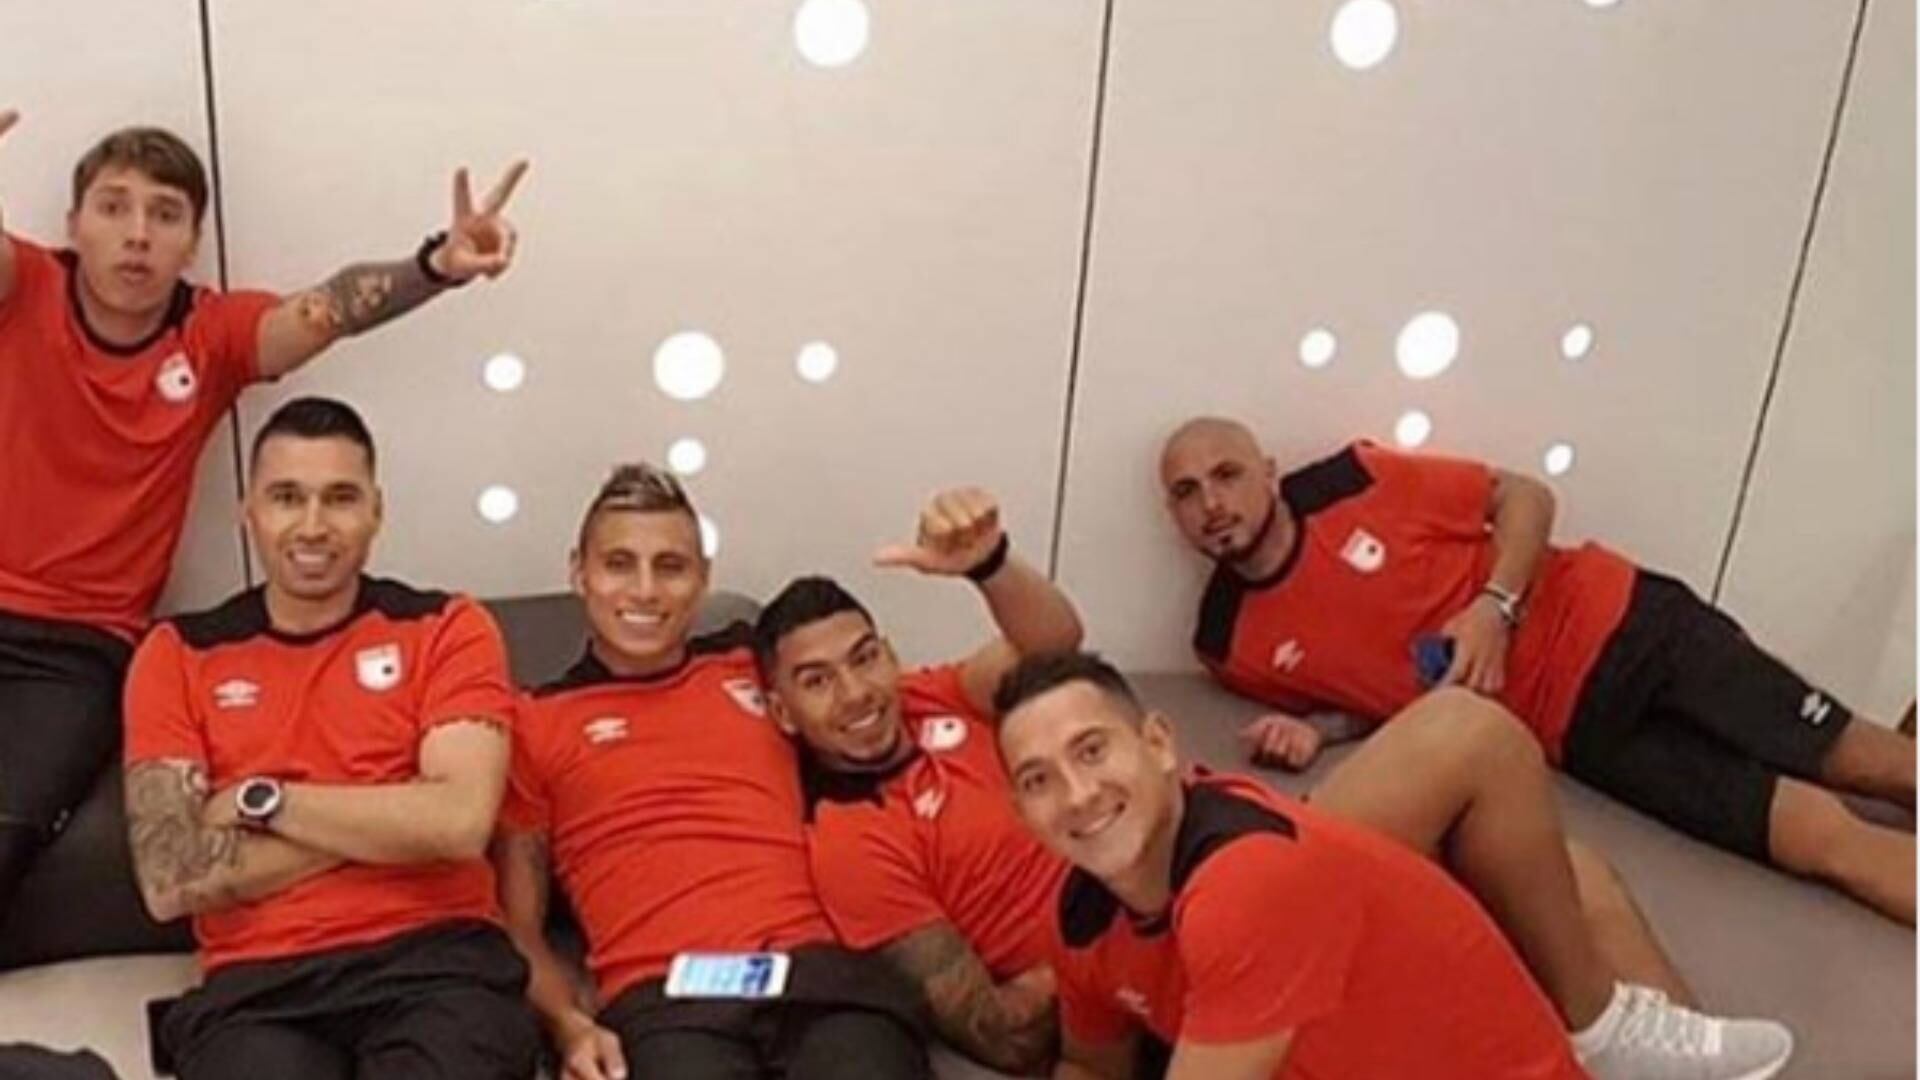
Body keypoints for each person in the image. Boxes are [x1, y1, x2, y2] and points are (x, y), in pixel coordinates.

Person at [0, 107, 529, 917]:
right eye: (113, 208)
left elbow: (329, 310)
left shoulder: (210, 334)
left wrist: (438, 265)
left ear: (192, 242)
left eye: (165, 214)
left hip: (77, 649)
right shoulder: (27, 285)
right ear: (75, 225)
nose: (137, 234)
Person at [1160, 418, 1915, 922]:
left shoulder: (1352, 480)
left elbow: (1526, 495)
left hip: (1622, 624)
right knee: (1817, 841)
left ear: (1268, 473)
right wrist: (1317, 730)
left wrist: (1495, 606)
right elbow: (1377, 694)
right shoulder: (1227, 643)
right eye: (1186, 493)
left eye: (1227, 475)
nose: (1211, 504)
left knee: (1858, 759)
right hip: (1574, 734)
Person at [995, 652, 1796, 1080]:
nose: (1077, 794)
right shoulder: (1082, 918)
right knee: (1571, 869)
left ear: (1161, 745)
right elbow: (1090, 1065)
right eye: (1038, 780)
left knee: (1473, 747)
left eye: (1092, 751)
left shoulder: (1246, 881)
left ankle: (1605, 1026)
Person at [121, 397, 538, 1079]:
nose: (313, 525)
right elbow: (171, 878)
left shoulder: (448, 627)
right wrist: (396, 808)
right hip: (260, 991)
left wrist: (262, 801)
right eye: (287, 497)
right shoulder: (177, 653)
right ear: (249, 511)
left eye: (340, 498)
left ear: (376, 511)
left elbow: (460, 823)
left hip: (438, 967)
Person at [494, 464, 928, 1080]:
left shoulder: (751, 661)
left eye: (671, 566)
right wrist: (570, 1026)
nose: (645, 590)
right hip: (667, 1001)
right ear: (579, 573)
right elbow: (519, 930)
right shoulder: (535, 721)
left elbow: (874, 700)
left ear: (703, 577)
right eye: (619, 564)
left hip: (818, 981)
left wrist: (986, 568)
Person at [750, 485, 1082, 1074]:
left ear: (891, 655)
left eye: (864, 658)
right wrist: (1120, 946)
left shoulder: (934, 694)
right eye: (818, 681)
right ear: (783, 712)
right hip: (1139, 959)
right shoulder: (851, 845)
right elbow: (1003, 1034)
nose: (857, 693)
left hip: (1181, 859)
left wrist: (990, 566)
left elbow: (1055, 645)